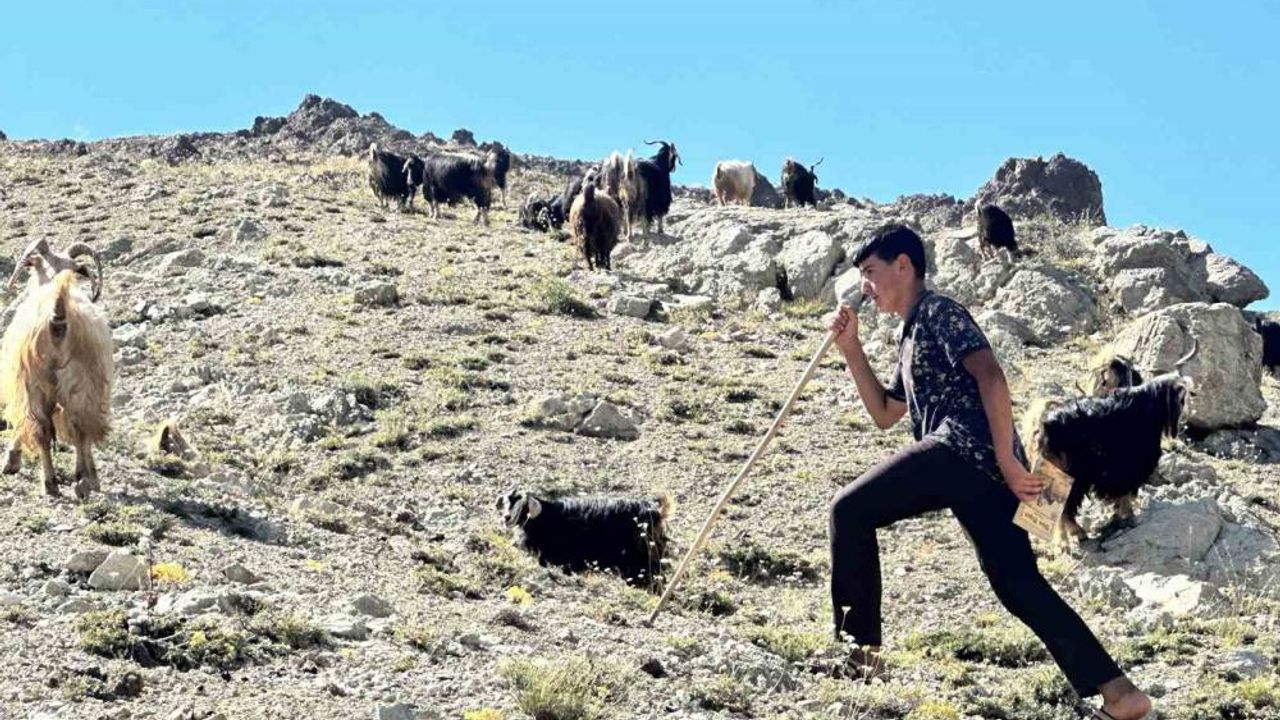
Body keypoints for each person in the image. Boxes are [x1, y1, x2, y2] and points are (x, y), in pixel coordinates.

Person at [825, 225, 1151, 720]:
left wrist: (1007, 459)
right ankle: (1121, 695)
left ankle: (860, 658)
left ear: (903, 266)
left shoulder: (939, 311)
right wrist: (851, 349)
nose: (865, 286)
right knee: (1017, 583)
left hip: (963, 449)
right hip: (980, 472)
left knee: (849, 510)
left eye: (870, 272)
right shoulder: (910, 332)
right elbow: (886, 412)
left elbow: (992, 376)